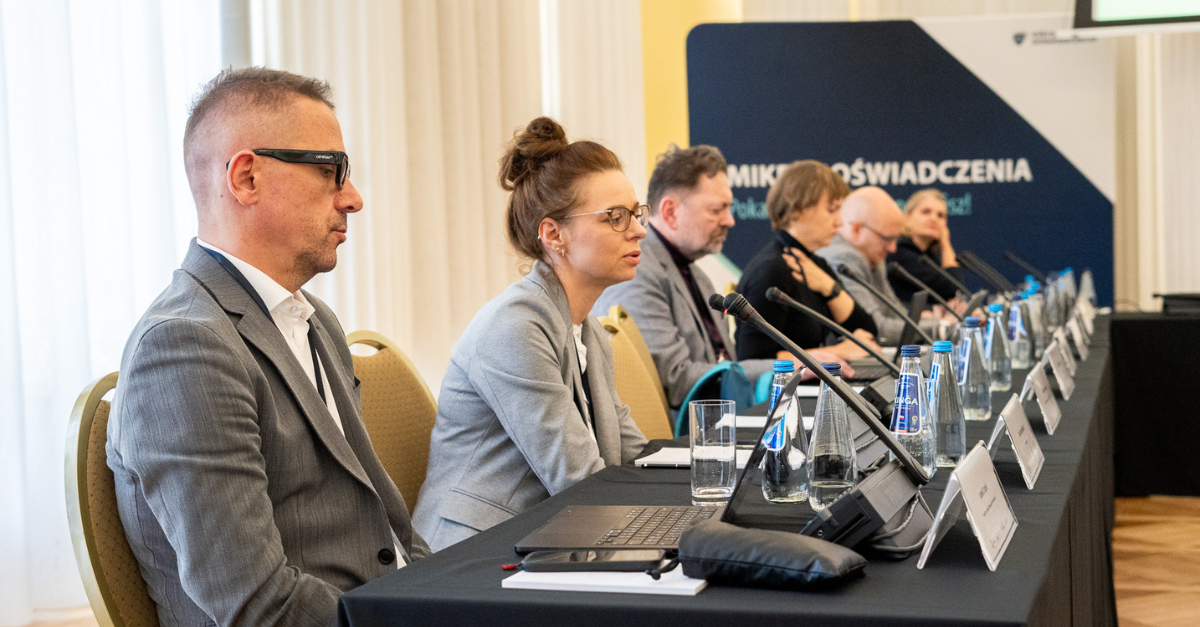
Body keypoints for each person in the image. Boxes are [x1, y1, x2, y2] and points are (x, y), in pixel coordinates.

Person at [108, 68, 429, 627]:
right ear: (246, 178)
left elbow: (388, 530)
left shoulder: (313, 320)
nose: (352, 198)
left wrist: (450, 601)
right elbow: (256, 603)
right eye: (331, 172)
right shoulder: (186, 347)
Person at [413, 117, 649, 551]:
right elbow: (577, 477)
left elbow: (632, 456)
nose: (638, 229)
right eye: (615, 217)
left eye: (636, 213)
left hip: (553, 535)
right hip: (474, 553)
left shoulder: (588, 331)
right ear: (554, 234)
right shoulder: (515, 326)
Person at [591, 145, 774, 412]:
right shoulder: (636, 271)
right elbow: (675, 379)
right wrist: (787, 369)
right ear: (670, 212)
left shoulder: (697, 275)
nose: (730, 220)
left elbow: (723, 362)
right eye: (716, 210)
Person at [735, 160, 879, 364]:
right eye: (831, 209)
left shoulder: (815, 264)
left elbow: (867, 331)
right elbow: (752, 361)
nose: (839, 222)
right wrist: (836, 353)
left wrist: (830, 288)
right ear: (796, 210)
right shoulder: (772, 270)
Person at [819, 186, 943, 345]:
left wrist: (938, 324)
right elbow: (877, 329)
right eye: (887, 239)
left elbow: (897, 313)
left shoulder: (873, 256)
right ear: (856, 229)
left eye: (895, 239)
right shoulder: (843, 258)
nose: (893, 248)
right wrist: (940, 329)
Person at [888, 188, 965, 304]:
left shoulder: (929, 255)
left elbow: (953, 294)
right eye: (926, 212)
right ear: (907, 218)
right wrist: (945, 243)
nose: (933, 218)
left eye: (940, 215)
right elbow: (951, 287)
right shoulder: (900, 251)